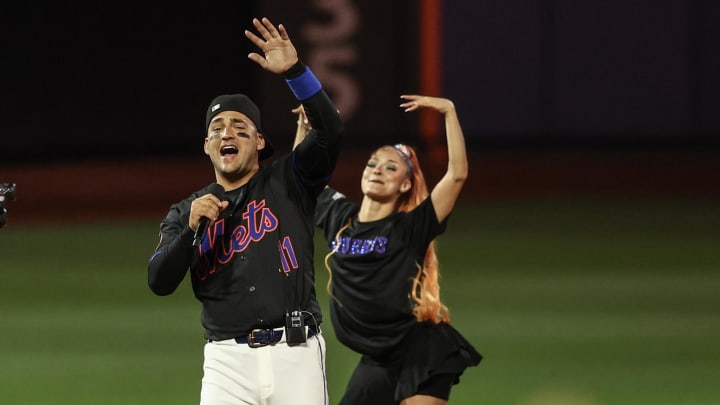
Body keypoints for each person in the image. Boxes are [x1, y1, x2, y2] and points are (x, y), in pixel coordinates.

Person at [147, 17, 344, 405]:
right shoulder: (186, 211)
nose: (228, 133)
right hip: (226, 362)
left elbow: (331, 130)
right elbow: (159, 280)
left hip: (296, 353)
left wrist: (295, 72)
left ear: (259, 142)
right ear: (207, 146)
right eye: (217, 128)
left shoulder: (291, 180)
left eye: (240, 126)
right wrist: (189, 232)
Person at [295, 95, 481, 404]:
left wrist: (449, 111)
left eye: (391, 168)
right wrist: (303, 127)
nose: (377, 170)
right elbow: (300, 180)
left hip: (420, 353)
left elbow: (457, 174)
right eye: (372, 163)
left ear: (405, 185)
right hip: (376, 359)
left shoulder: (409, 227)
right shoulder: (340, 216)